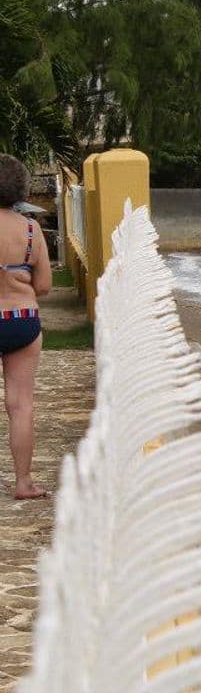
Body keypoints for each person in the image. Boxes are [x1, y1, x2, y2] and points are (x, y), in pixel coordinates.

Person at [0, 154, 51, 499]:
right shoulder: (32, 229)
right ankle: (23, 482)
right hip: (21, 320)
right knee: (21, 405)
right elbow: (44, 286)